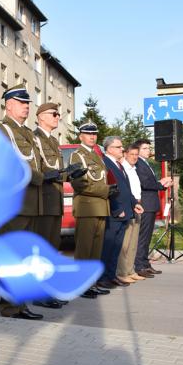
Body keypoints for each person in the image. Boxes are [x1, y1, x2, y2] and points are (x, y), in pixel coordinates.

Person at [0, 84, 46, 320]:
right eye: (22, 103)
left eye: (28, 104)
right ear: (9, 104)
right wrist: (39, 177)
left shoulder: (28, 134)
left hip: (32, 203)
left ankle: (20, 304)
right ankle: (9, 307)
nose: (26, 107)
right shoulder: (1, 130)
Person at [70, 123, 112, 299]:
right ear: (80, 136)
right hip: (87, 206)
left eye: (94, 134)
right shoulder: (77, 155)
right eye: (88, 134)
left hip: (101, 206)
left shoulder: (97, 154)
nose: (92, 137)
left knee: (95, 250)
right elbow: (79, 183)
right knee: (84, 249)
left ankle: (91, 284)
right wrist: (105, 191)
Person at [33, 102, 67, 309]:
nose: (57, 117)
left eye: (58, 114)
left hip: (56, 199)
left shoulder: (53, 140)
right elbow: (40, 169)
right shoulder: (34, 138)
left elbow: (57, 169)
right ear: (41, 117)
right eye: (53, 114)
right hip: (43, 199)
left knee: (53, 248)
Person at [98, 136, 143, 289]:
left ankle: (111, 276)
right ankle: (103, 278)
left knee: (116, 247)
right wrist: (117, 209)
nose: (122, 149)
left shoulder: (118, 164)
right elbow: (110, 189)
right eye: (118, 147)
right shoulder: (105, 164)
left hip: (125, 211)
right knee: (108, 247)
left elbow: (125, 189)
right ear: (109, 149)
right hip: (114, 212)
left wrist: (134, 203)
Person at [133, 139, 172, 278]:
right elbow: (145, 183)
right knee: (143, 237)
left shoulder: (145, 163)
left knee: (147, 236)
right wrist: (161, 184)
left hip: (150, 204)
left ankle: (145, 263)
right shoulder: (137, 163)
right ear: (137, 150)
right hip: (145, 204)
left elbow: (149, 182)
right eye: (145, 148)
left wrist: (160, 183)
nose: (148, 150)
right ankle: (139, 265)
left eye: (149, 148)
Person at [116, 144, 147, 284]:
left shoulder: (134, 169)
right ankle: (122, 272)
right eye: (132, 154)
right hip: (130, 206)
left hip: (137, 205)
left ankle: (130, 270)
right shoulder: (124, 169)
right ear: (125, 154)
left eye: (136, 154)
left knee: (134, 242)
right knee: (125, 243)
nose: (134, 157)